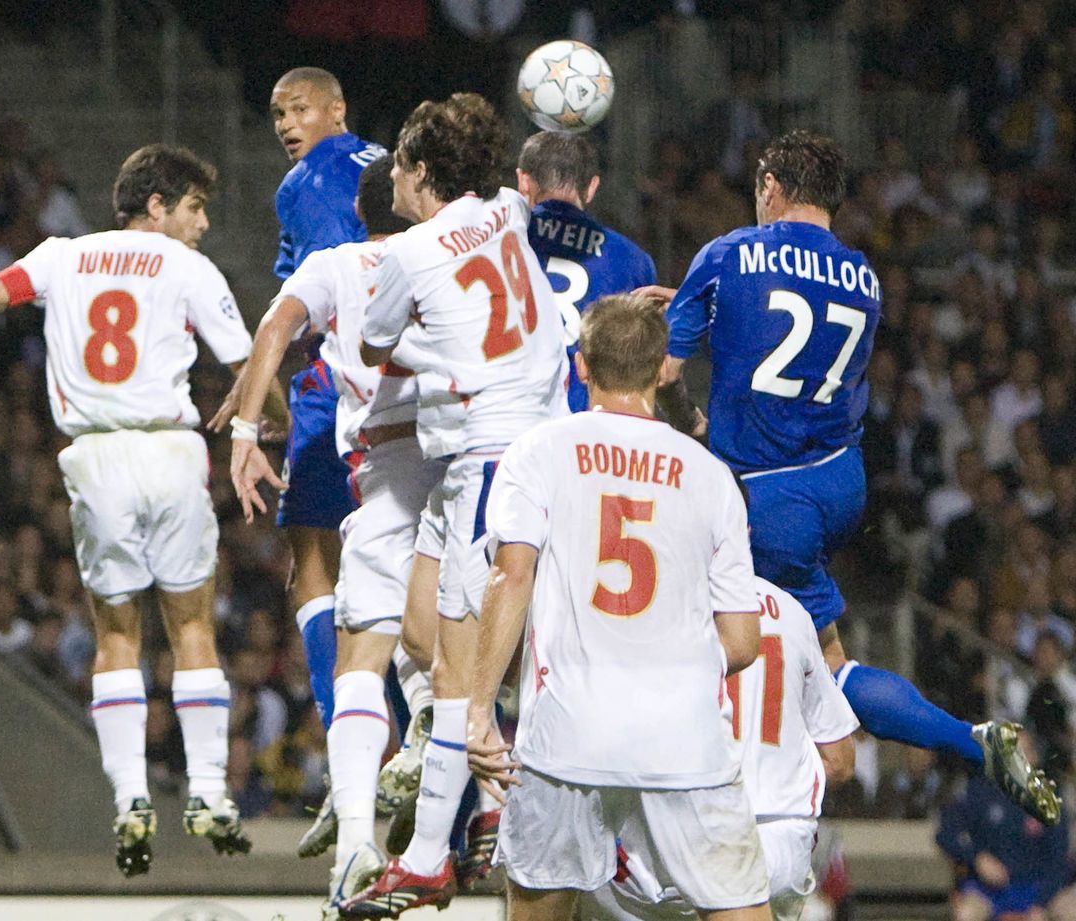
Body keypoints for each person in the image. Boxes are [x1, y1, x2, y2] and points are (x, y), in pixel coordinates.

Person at [0, 144, 271, 876]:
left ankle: (129, 799)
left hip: (95, 456)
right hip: (172, 449)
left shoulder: (61, 256)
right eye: (194, 206)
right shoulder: (187, 268)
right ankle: (209, 789)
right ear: (156, 205)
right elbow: (249, 370)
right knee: (192, 624)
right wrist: (280, 421)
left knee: (117, 632)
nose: (204, 223)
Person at [652, 128, 1060, 825]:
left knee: (676, 615)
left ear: (772, 187)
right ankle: (961, 740)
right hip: (839, 482)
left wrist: (691, 423)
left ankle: (733, 804)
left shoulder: (726, 254)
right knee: (826, 651)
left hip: (767, 490)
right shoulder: (865, 278)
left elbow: (663, 371)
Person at [463, 295, 770, 921]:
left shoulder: (538, 451)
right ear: (662, 370)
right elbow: (741, 643)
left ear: (581, 366)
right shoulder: (712, 476)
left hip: (568, 733)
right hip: (685, 737)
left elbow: (510, 574)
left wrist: (478, 709)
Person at [340, 92, 566, 917]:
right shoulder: (505, 208)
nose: (390, 175)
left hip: (495, 457)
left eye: (398, 162)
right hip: (491, 448)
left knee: (466, 673)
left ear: (422, 172)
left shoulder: (409, 250)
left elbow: (370, 345)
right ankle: (476, 820)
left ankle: (435, 852)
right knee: (431, 644)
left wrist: (437, 348)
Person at [223, 155, 444, 915]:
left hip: (384, 469)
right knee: (454, 647)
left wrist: (248, 428)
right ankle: (450, 787)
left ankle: (356, 837)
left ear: (358, 205)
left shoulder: (336, 261)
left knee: (362, 653)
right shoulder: (455, 248)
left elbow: (276, 327)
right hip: (464, 466)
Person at [583, 573, 859, 921]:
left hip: (682, 848)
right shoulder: (791, 611)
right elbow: (840, 762)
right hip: (781, 849)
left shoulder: (646, 606)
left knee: (571, 866)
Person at [517, 130, 657, 412]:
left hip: (510, 420)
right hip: (587, 429)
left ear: (523, 182)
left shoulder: (502, 239)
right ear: (592, 187)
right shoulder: (632, 260)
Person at [935, 732, 1076, 921]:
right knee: (966, 914)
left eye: (1022, 753)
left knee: (1070, 911)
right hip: (990, 891)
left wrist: (1040, 904)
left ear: (1033, 758)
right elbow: (945, 834)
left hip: (1038, 889)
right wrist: (977, 858)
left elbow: (1059, 859)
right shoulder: (978, 792)